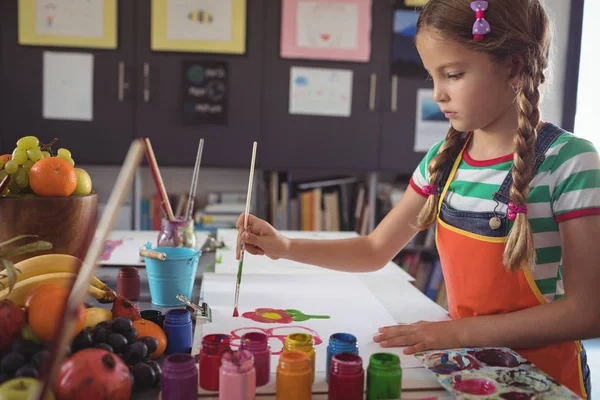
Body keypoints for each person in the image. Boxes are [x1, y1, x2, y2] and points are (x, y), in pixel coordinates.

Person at [235, 0, 598, 397]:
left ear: (513, 67)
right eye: (432, 77)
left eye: (454, 75)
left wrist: (457, 331)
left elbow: (589, 312)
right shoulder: (443, 163)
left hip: (545, 382)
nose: (438, 94)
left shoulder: (570, 162)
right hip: (465, 369)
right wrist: (283, 246)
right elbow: (375, 249)